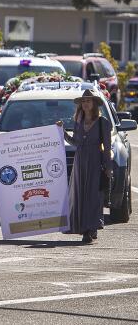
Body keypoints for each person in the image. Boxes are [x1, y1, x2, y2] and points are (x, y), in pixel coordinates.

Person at [57, 89, 112, 244]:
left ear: (94, 103)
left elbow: (107, 147)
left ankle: (91, 228)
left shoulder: (103, 123)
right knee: (80, 196)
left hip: (95, 162)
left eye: (89, 100)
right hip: (80, 162)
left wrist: (108, 168)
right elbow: (75, 142)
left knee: (94, 196)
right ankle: (84, 228)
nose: (86, 103)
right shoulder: (78, 121)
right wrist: (62, 132)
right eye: (84, 101)